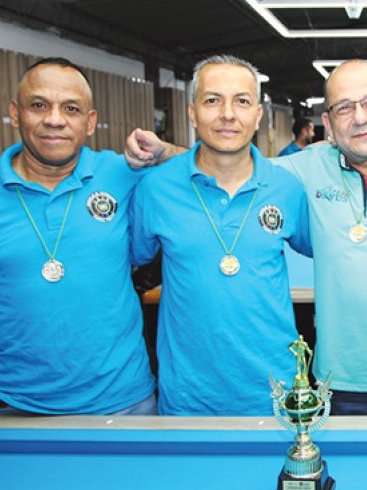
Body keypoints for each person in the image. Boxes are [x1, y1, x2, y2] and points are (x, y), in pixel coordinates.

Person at [126, 59, 367, 415]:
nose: (360, 117)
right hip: (338, 385)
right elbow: (229, 159)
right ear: (327, 123)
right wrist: (167, 154)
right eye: (344, 107)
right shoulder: (303, 169)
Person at [0, 58, 155, 415]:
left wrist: (162, 150)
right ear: (15, 113)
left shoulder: (123, 175)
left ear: (90, 121)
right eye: (39, 105)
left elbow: (208, 165)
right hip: (15, 406)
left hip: (125, 403)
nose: (54, 119)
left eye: (71, 108)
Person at [130, 55, 310, 415]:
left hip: (278, 394)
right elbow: (128, 264)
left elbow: (323, 252)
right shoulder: (155, 189)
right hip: (187, 397)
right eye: (212, 100)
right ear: (192, 112)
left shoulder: (288, 188)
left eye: (242, 101)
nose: (228, 114)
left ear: (257, 115)